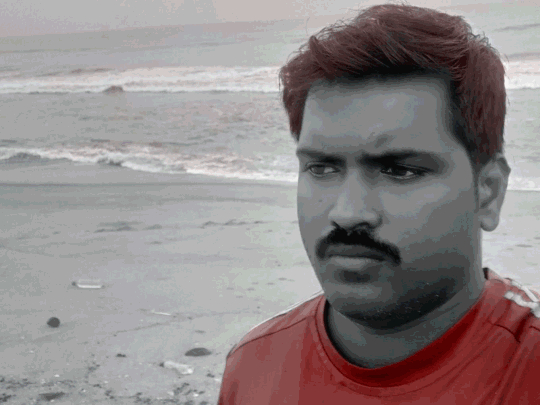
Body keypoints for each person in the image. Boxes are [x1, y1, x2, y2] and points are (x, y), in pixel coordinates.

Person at [218, 2, 540, 403]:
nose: (347, 213)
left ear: (488, 191)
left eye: (399, 170)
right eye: (322, 168)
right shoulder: (253, 367)